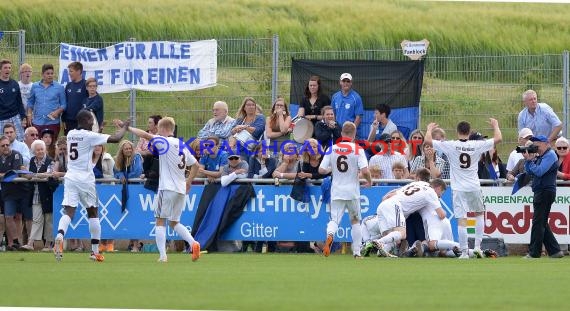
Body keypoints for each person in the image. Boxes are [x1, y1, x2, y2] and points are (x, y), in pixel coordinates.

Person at [53, 110, 129, 262]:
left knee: (69, 211)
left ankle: (60, 236)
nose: (93, 122)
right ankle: (94, 252)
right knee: (93, 213)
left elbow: (88, 140)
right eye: (92, 120)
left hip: (70, 177)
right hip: (85, 179)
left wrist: (98, 130)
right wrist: (125, 126)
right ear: (87, 120)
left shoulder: (71, 134)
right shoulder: (90, 136)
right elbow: (116, 138)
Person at [127, 117, 201, 262]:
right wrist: (189, 182)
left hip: (167, 187)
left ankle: (162, 256)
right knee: (174, 222)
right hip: (180, 189)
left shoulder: (164, 141)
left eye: (158, 129)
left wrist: (127, 128)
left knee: (160, 221)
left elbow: (145, 135)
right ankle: (193, 243)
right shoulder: (182, 145)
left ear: (163, 129)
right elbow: (196, 165)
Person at [425, 119, 502, 259]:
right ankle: (478, 247)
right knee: (479, 214)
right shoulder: (476, 144)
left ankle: (465, 252)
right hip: (473, 186)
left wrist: (429, 129)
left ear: (457, 131)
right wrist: (496, 126)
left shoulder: (451, 145)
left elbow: (428, 141)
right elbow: (498, 139)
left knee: (462, 219)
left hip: (459, 188)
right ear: (469, 131)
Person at [318, 121, 372, 258]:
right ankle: (357, 252)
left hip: (337, 190)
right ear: (354, 135)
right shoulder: (357, 149)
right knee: (355, 220)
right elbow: (365, 170)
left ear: (342, 133)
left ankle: (330, 236)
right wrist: (370, 181)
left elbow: (321, 170)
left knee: (334, 220)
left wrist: (333, 169)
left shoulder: (332, 148)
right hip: (353, 191)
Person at [522, 135, 564, 258]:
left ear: (545, 143)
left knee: (538, 222)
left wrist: (530, 161)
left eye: (537, 143)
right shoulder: (541, 156)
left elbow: (540, 171)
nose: (535, 145)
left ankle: (534, 252)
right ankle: (555, 251)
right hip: (541, 191)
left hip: (545, 191)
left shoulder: (550, 155)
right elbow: (529, 172)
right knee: (542, 222)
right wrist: (528, 159)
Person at [21, 139, 56, 251]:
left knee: (49, 219)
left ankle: (48, 245)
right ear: (34, 152)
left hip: (47, 193)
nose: (40, 151)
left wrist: (35, 175)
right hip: (35, 193)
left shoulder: (50, 161)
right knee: (36, 219)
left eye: (42, 149)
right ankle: (31, 243)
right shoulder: (32, 160)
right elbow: (28, 174)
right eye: (38, 150)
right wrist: (27, 174)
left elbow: (49, 174)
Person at [27, 63, 66, 138]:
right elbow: (30, 102)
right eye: (48, 73)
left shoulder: (59, 87)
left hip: (53, 122)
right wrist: (29, 114)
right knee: (38, 146)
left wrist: (57, 112)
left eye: (52, 73)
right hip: (38, 122)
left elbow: (64, 104)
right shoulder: (35, 86)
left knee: (51, 146)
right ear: (42, 74)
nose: (50, 75)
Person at [0, 59, 27, 141]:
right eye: (5, 68)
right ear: (0, 70)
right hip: (2, 118)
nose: (8, 69)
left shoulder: (14, 84)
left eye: (9, 67)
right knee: (3, 142)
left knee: (20, 140)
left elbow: (19, 102)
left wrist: (23, 117)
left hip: (15, 117)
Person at [331, 73, 364, 138]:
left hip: (350, 133)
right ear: (340, 82)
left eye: (348, 81)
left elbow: (358, 117)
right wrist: (335, 128)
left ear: (351, 83)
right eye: (344, 81)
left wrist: (352, 131)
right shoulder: (335, 96)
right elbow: (333, 113)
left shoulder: (356, 97)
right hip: (338, 132)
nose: (346, 83)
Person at [63, 62, 88, 134]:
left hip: (82, 121)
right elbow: (66, 102)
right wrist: (63, 119)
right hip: (69, 121)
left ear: (79, 71)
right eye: (69, 71)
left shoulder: (86, 84)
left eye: (71, 71)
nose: (69, 73)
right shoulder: (68, 85)